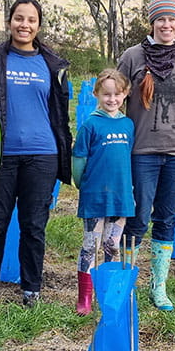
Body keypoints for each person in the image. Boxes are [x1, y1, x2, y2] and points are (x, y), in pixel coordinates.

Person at [0, 0, 72, 307]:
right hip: (2, 155)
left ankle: (31, 288)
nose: (24, 25)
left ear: (38, 25)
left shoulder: (52, 64)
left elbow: (59, 112)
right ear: (9, 22)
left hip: (42, 155)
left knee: (33, 225)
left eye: (31, 20)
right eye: (19, 18)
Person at [118, 0, 175, 311]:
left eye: (172, 19)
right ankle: (126, 283)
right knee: (137, 219)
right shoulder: (133, 56)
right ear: (151, 22)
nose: (167, 25)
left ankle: (158, 286)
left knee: (167, 218)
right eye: (161, 19)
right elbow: (116, 97)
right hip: (142, 151)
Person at [71, 68, 134, 315]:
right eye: (106, 94)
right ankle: (84, 297)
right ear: (97, 93)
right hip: (95, 196)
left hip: (121, 197)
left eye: (117, 94)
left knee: (112, 245)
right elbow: (79, 160)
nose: (112, 99)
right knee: (90, 245)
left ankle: (109, 294)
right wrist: (82, 184)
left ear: (125, 94)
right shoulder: (90, 125)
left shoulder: (128, 125)